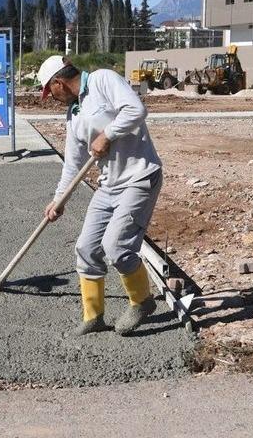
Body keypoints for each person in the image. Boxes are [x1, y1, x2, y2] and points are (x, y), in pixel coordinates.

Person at [37, 56, 163, 336]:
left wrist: (108, 134)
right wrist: (59, 200)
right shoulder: (73, 114)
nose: (51, 98)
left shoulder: (102, 80)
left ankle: (142, 301)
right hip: (109, 186)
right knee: (86, 248)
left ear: (59, 83)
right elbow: (73, 164)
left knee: (116, 246)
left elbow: (136, 109)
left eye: (50, 92)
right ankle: (93, 316)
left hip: (139, 177)